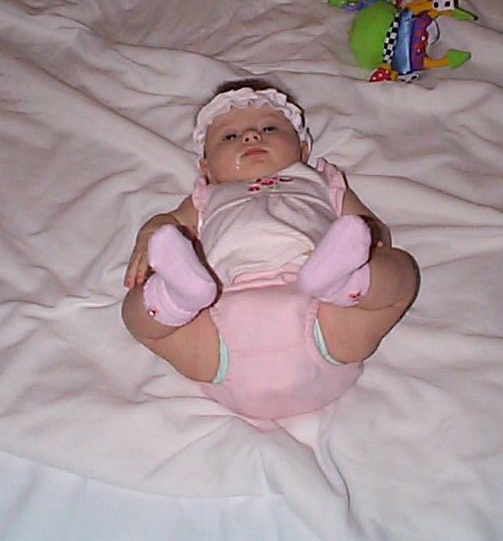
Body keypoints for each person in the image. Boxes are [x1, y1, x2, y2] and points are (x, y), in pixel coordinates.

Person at [122, 79, 420, 419]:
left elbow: (368, 227)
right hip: (220, 326)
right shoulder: (207, 197)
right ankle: (179, 298)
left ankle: (347, 281)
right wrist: (152, 232)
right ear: (207, 169)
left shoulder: (323, 182)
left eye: (269, 128)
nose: (251, 137)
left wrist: (369, 241)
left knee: (400, 268)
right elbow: (171, 223)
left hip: (325, 313)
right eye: (229, 136)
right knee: (135, 311)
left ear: (302, 151)